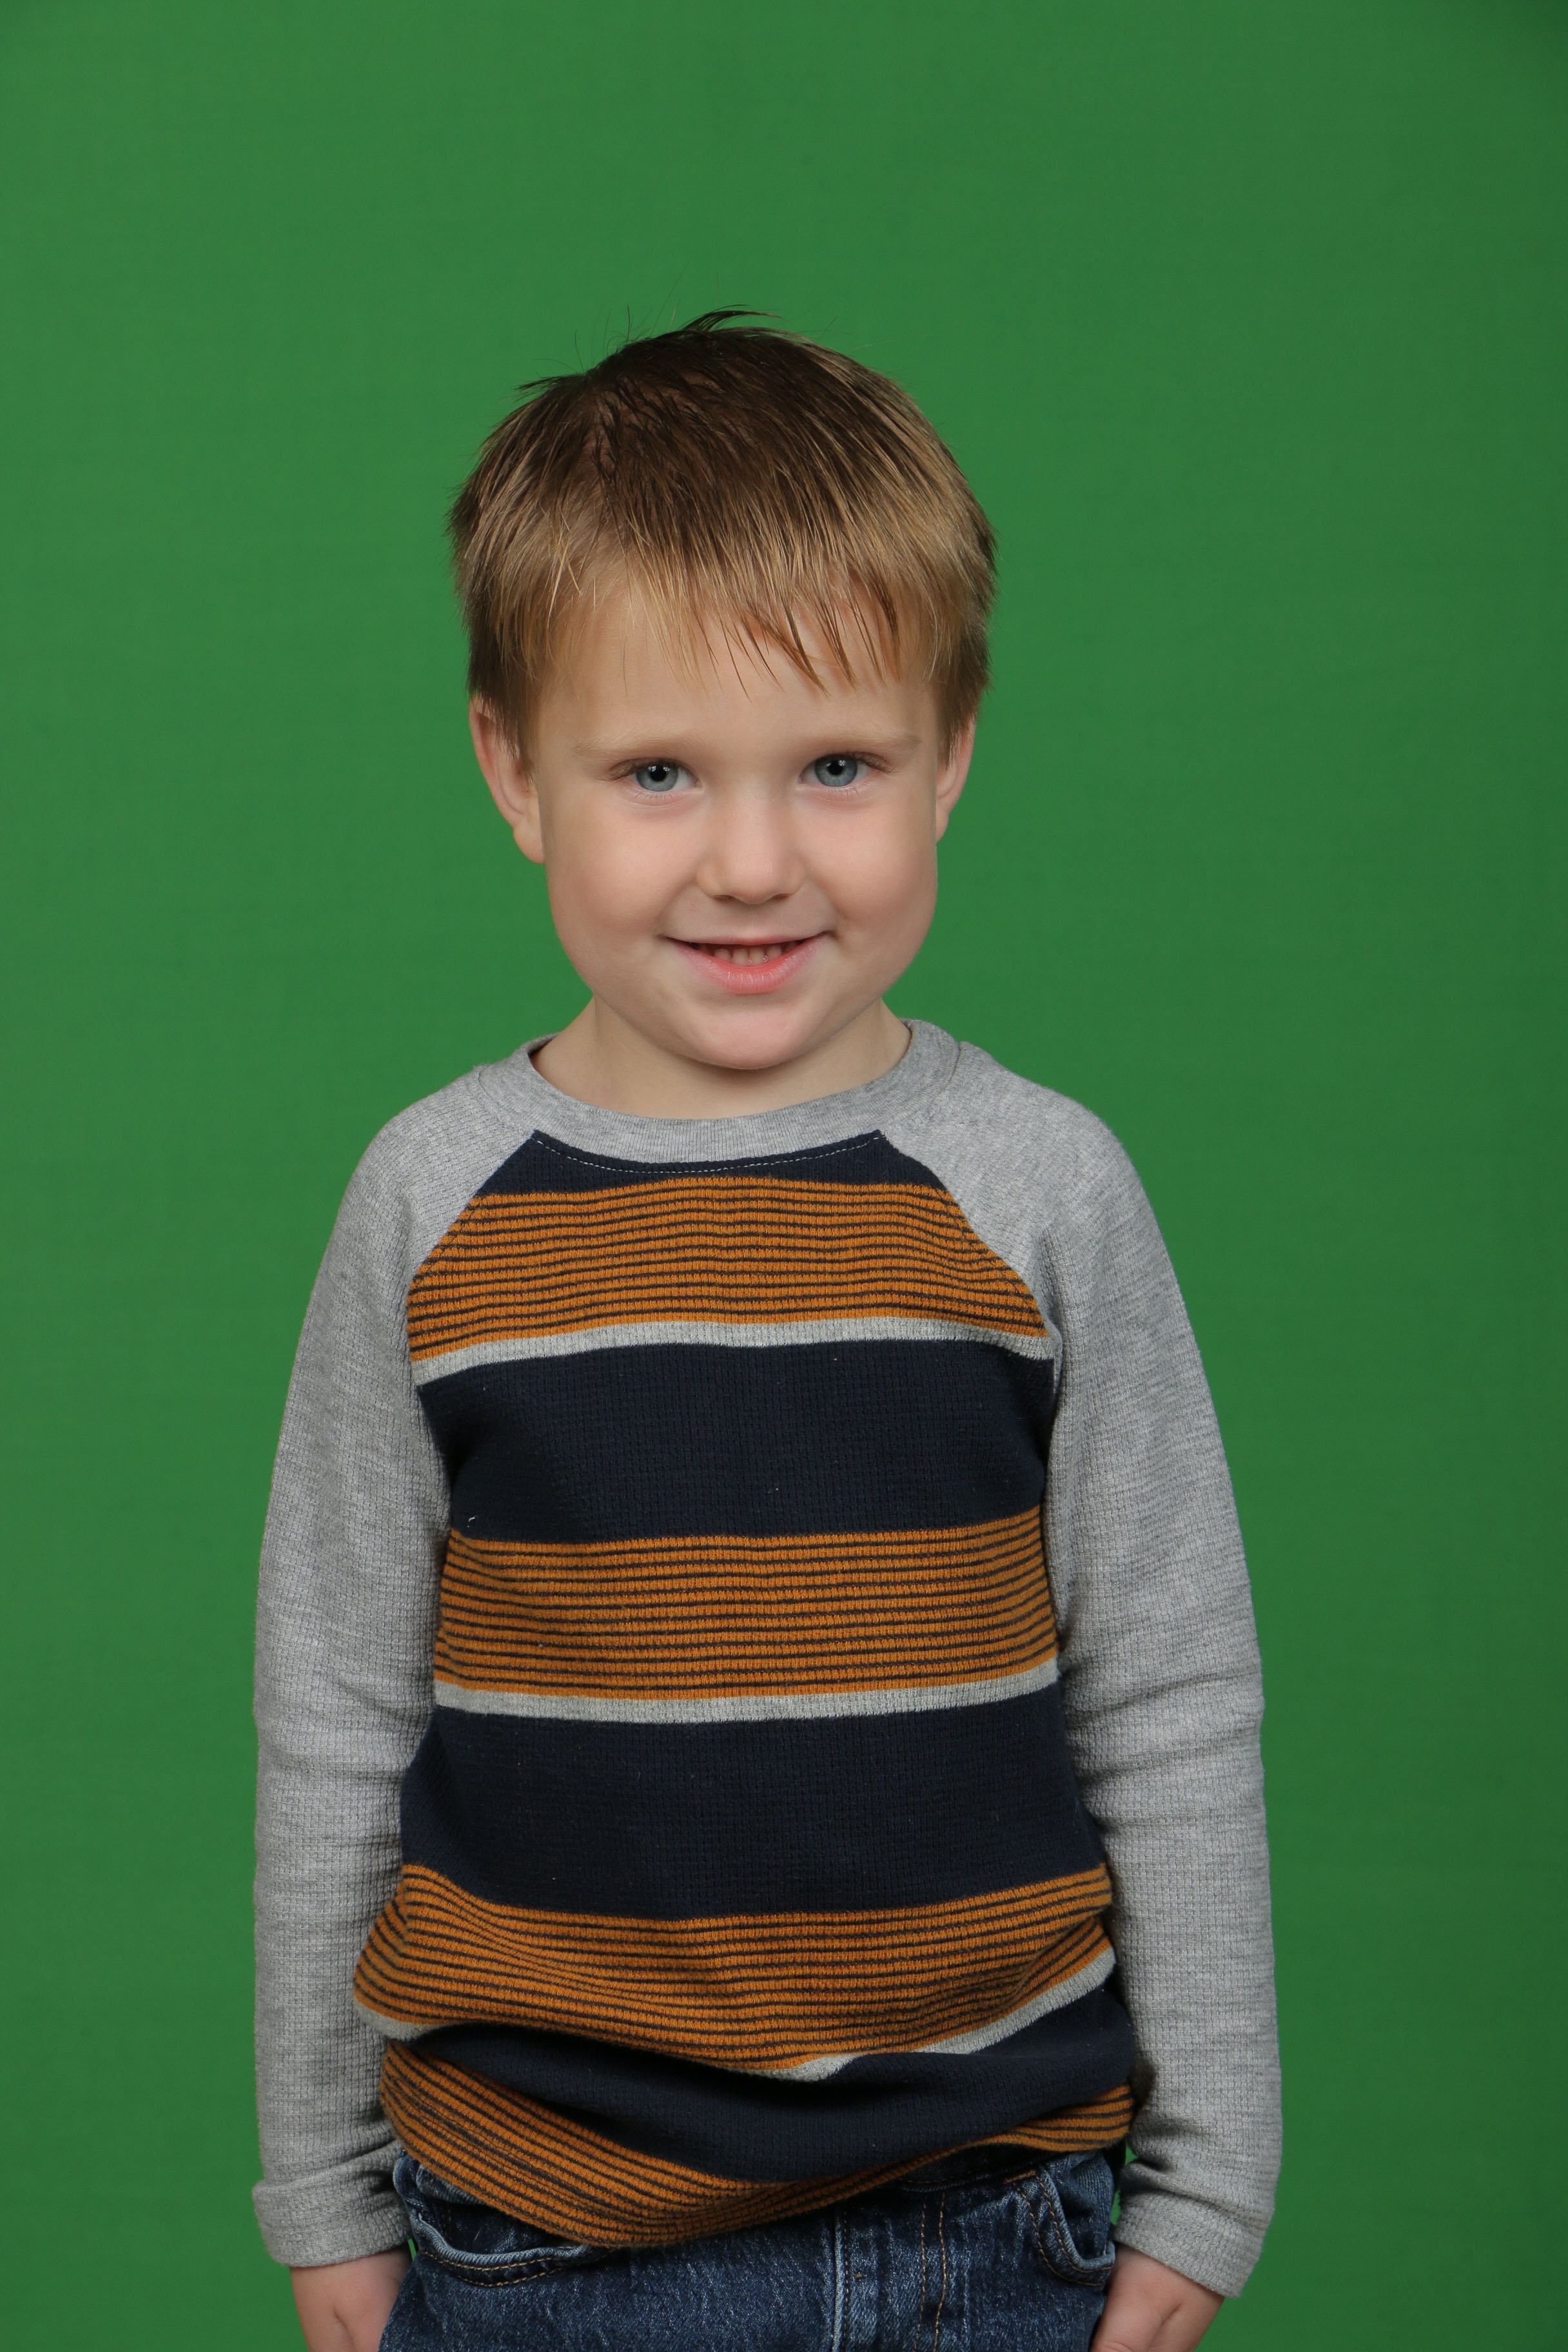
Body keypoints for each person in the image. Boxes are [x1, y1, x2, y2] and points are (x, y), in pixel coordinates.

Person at [253, 315, 1279, 2352]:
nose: (750, 862)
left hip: (995, 2228)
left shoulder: (1041, 1186)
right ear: (513, 770)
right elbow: (338, 1716)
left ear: (950, 754)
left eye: (836, 767)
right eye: (658, 771)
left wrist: (1212, 2174)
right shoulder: (432, 1202)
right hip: (534, 2240)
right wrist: (320, 2191)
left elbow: (1167, 1691)